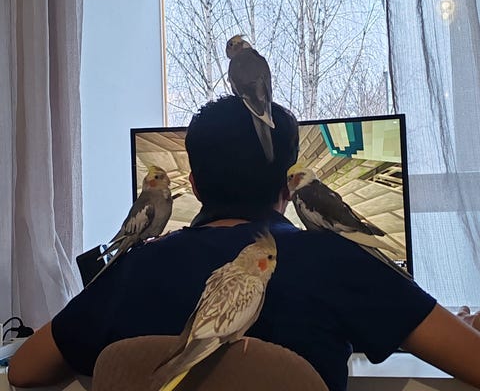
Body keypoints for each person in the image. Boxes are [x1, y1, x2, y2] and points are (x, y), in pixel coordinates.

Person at [8, 96, 480, 391]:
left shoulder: (134, 269)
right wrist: (446, 323)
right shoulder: (340, 261)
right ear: (287, 186)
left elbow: (24, 370)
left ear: (195, 187)